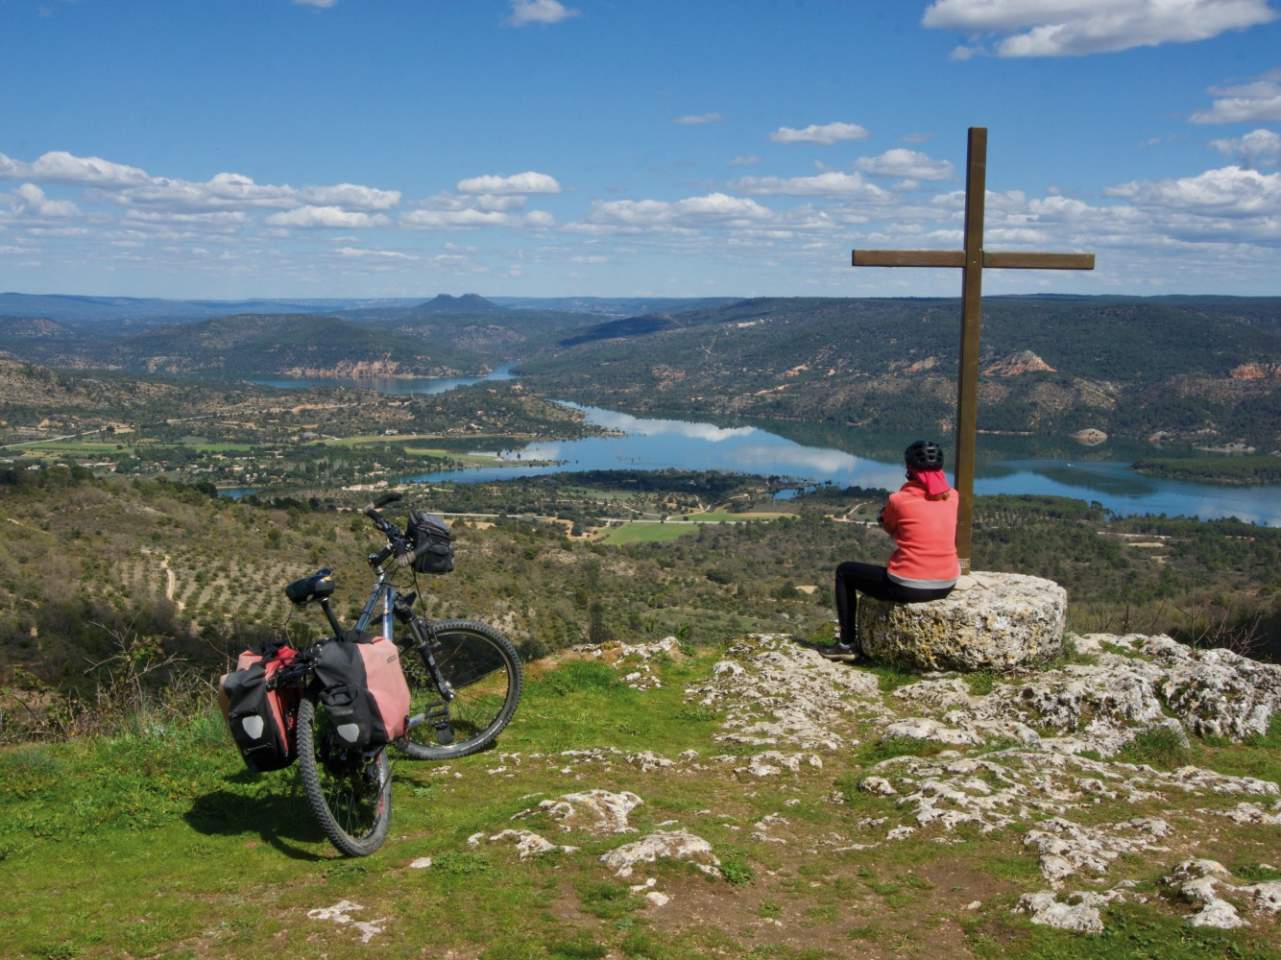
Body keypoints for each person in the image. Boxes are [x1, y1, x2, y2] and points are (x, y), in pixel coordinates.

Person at [822, 440, 960, 660]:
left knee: (844, 572)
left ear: (909, 470)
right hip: (947, 583)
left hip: (910, 586)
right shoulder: (953, 496)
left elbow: (889, 526)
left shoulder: (898, 500)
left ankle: (846, 644)